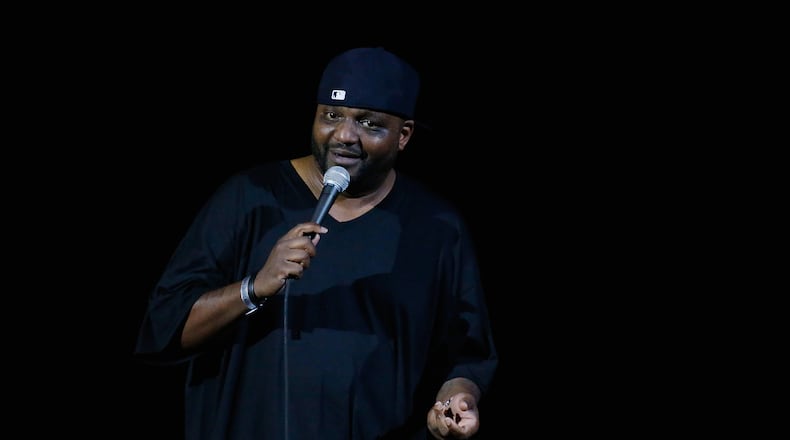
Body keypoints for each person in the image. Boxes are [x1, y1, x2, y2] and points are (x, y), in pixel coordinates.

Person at [134, 46, 498, 440]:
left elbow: (465, 355)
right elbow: (165, 330)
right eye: (331, 116)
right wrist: (253, 287)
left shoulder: (436, 228)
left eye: (368, 123)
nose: (344, 135)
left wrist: (456, 399)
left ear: (403, 135)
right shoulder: (250, 199)